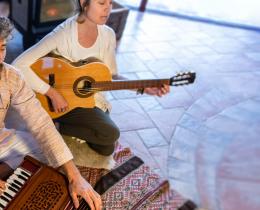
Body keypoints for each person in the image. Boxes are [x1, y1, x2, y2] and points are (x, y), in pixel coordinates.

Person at [12, 0, 170, 156]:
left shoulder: (108, 34)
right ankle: (57, 124)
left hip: (91, 100)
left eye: (110, 3)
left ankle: (60, 128)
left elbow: (112, 76)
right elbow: (19, 64)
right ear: (84, 3)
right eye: (101, 3)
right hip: (62, 103)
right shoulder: (64, 33)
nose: (108, 8)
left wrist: (143, 87)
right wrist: (52, 93)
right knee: (111, 133)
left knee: (107, 148)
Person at [0, 17, 101, 210]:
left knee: (45, 150)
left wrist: (75, 176)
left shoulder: (10, 76)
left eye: (2, 48)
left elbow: (40, 122)